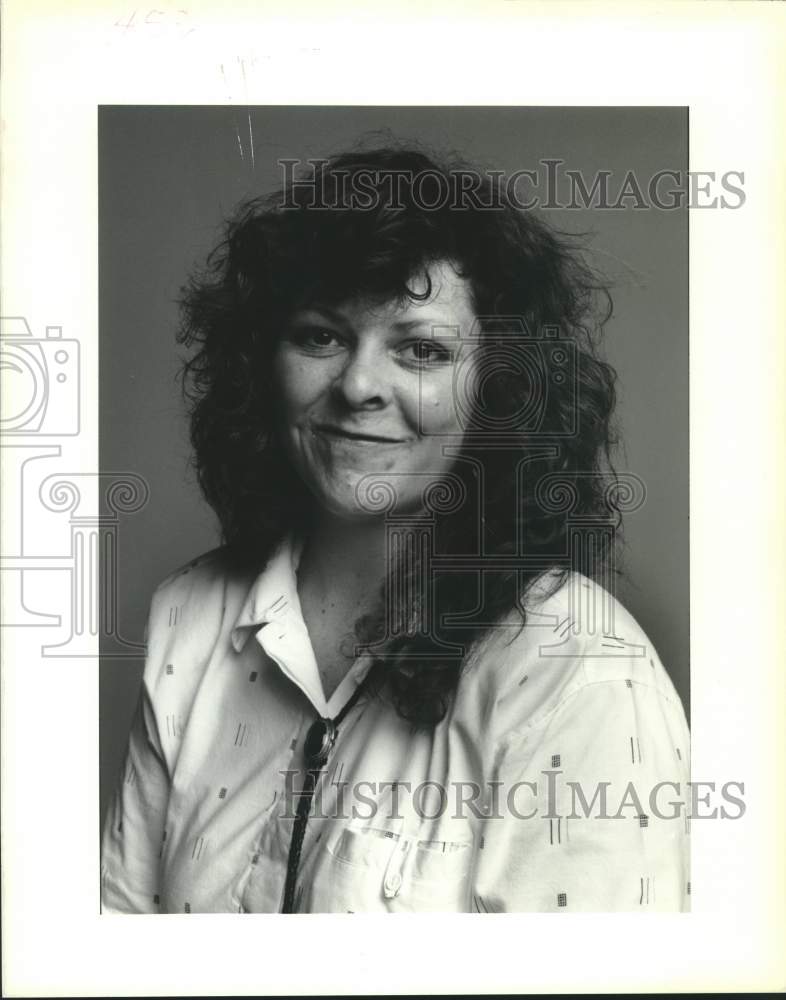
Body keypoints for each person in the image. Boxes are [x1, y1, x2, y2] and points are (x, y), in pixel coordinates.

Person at [101, 144, 690, 914]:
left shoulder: (579, 671)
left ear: (498, 389)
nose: (357, 386)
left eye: (421, 349)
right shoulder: (190, 614)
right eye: (320, 336)